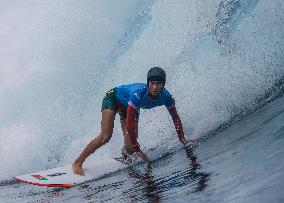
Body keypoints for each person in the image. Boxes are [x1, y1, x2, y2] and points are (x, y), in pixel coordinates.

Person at [72, 67, 192, 176]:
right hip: (113, 99)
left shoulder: (167, 97)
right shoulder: (138, 93)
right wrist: (137, 148)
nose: (155, 87)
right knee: (105, 136)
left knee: (129, 148)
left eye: (158, 84)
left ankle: (125, 156)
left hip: (129, 107)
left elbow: (175, 118)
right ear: (148, 83)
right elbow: (129, 123)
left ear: (163, 84)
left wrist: (182, 139)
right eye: (152, 83)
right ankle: (78, 162)